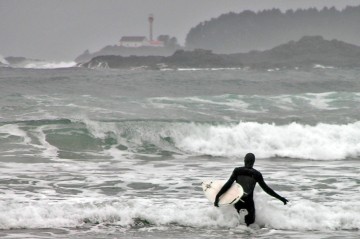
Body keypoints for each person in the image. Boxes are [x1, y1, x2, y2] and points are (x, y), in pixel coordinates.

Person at [214, 153, 288, 226]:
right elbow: (267, 189)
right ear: (253, 161)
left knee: (236, 225)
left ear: (244, 160)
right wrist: (280, 198)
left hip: (238, 201)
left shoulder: (237, 171)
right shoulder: (256, 174)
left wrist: (218, 196)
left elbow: (228, 185)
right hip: (249, 203)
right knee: (250, 227)